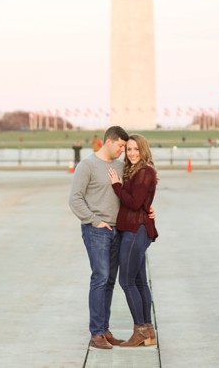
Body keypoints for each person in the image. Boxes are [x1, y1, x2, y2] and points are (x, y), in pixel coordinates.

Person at [68, 125, 129, 350]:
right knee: (100, 278)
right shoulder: (87, 166)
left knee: (110, 282)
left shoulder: (121, 166)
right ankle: (96, 333)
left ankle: (104, 329)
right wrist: (95, 221)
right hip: (97, 230)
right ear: (109, 141)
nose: (123, 150)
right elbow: (75, 199)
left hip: (117, 230)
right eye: (121, 145)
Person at [107, 134, 159, 348]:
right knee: (139, 282)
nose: (132, 153)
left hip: (136, 231)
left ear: (144, 150)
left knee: (126, 282)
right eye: (128, 149)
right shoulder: (135, 171)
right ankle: (148, 331)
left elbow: (136, 203)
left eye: (136, 149)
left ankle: (139, 330)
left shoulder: (145, 172)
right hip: (135, 229)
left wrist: (117, 186)